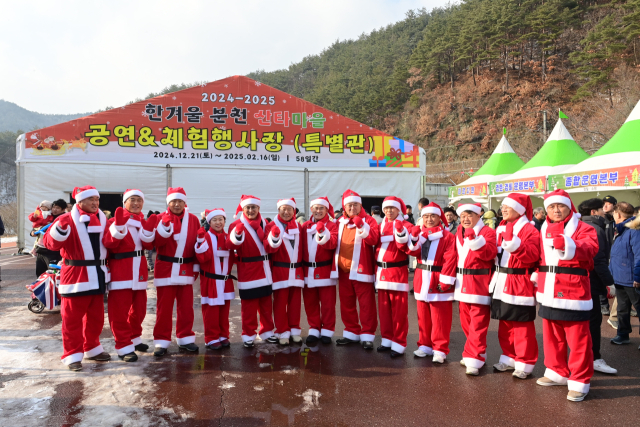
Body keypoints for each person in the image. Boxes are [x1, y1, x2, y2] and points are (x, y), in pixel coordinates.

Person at [534, 189, 599, 402]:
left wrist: (570, 244)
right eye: (551, 207)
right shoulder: (543, 228)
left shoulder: (584, 228)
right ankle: (556, 371)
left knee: (578, 339)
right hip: (548, 289)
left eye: (560, 206)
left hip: (573, 291)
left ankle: (580, 380)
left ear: (569, 206)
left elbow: (590, 249)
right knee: (552, 335)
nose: (556, 210)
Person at [42, 186, 111, 371]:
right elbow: (49, 243)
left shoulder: (103, 219)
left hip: (97, 275)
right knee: (72, 319)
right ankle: (72, 354)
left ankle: (92, 348)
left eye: (97, 199)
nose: (95, 203)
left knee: (95, 318)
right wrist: (60, 229)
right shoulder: (66, 219)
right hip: (75, 276)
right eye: (91, 200)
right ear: (80, 202)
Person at [103, 189, 157, 362]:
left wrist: (150, 232)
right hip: (121, 270)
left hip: (139, 271)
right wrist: (118, 227)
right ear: (124, 202)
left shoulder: (142, 221)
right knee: (119, 312)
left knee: (139, 310)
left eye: (139, 200)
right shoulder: (113, 221)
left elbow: (148, 246)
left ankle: (134, 338)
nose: (136, 203)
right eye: (132, 200)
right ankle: (123, 345)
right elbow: (108, 243)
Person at [490, 194, 540, 379]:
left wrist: (514, 244)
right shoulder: (500, 227)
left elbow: (532, 256)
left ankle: (525, 361)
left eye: (507, 207)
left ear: (518, 209)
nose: (502, 209)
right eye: (502, 206)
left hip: (519, 281)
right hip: (501, 279)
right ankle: (509, 356)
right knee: (505, 323)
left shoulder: (530, 230)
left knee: (522, 326)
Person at [152, 187, 200, 357]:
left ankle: (186, 338)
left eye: (180, 201)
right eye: (173, 201)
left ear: (185, 202)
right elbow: (155, 242)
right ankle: (161, 340)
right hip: (165, 268)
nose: (177, 204)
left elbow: (197, 245)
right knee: (163, 308)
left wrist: (195, 267)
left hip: (186, 268)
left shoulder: (194, 220)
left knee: (186, 307)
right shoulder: (159, 218)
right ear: (168, 202)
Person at [408, 202, 457, 363]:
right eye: (426, 216)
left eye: (432, 216)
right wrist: (413, 238)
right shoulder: (420, 234)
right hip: (422, 276)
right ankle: (425, 345)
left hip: (438, 276)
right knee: (423, 316)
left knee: (440, 318)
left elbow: (450, 260)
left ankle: (440, 349)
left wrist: (445, 280)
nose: (429, 219)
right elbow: (411, 251)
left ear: (439, 218)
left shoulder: (448, 236)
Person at [227, 195, 277, 348]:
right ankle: (248, 334)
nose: (250, 210)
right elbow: (230, 244)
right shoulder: (236, 224)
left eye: (253, 207)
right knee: (248, 307)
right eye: (247, 208)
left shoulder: (265, 223)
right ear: (243, 209)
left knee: (266, 305)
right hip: (248, 271)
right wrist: (237, 234)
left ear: (258, 208)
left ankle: (267, 331)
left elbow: (271, 245)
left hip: (264, 269)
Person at [332, 189, 379, 349]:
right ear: (344, 207)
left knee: (366, 305)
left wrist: (361, 224)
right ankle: (351, 332)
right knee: (347, 305)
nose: (352, 208)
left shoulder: (370, 221)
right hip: (344, 271)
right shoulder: (339, 223)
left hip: (362, 271)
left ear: (360, 205)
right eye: (349, 205)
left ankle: (367, 335)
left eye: (355, 205)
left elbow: (373, 240)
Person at [454, 202, 497, 375]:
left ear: (479, 215)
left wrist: (474, 240)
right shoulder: (458, 231)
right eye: (463, 215)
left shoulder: (488, 232)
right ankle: (476, 351)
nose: (465, 219)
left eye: (469, 215)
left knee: (478, 322)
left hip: (479, 280)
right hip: (461, 279)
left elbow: (490, 253)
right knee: (465, 321)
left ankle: (475, 355)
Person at [577, 198, 617, 374]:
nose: (604, 212)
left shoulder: (577, 226)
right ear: (593, 212)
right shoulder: (595, 228)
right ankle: (594, 358)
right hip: (590, 281)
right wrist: (609, 282)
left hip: (578, 281)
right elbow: (598, 259)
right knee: (593, 320)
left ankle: (583, 357)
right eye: (601, 209)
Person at [374, 196, 413, 357]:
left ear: (398, 210)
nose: (389, 211)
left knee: (399, 311)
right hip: (381, 273)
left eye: (392, 208)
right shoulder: (379, 225)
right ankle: (387, 339)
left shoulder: (407, 225)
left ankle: (399, 342)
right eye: (386, 208)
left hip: (397, 272)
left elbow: (409, 248)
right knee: (383, 310)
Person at [264, 198, 304, 345]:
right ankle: (282, 331)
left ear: (294, 211)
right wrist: (274, 238)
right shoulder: (270, 226)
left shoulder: (299, 227)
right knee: (280, 303)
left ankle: (294, 329)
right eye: (283, 209)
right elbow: (268, 248)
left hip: (297, 269)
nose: (286, 212)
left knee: (295, 302)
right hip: (280, 270)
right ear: (278, 210)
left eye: (289, 209)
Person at [195, 208, 235, 350]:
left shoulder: (229, 237)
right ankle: (211, 338)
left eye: (221, 219)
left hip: (225, 280)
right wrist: (200, 241)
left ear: (225, 221)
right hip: (211, 280)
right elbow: (202, 258)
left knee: (224, 310)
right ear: (209, 222)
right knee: (211, 311)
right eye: (215, 220)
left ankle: (223, 335)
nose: (218, 223)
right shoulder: (205, 236)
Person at [301, 197, 339, 345]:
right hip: (307, 270)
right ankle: (314, 328)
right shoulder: (305, 226)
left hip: (325, 270)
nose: (318, 211)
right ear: (311, 209)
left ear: (326, 210)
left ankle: (328, 330)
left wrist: (323, 231)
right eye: (315, 208)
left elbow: (332, 244)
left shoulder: (332, 226)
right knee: (310, 302)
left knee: (328, 303)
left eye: (321, 208)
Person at [609, 202, 640, 347]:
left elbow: (639, 255)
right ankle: (622, 334)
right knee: (622, 308)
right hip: (620, 277)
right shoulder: (621, 230)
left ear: (618, 214)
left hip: (632, 279)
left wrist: (637, 276)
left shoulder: (634, 230)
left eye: (614, 213)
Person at [33, 199, 67, 277]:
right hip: (41, 250)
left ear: (63, 209)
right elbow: (36, 225)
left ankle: (53, 289)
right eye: (53, 207)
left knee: (53, 275)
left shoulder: (64, 219)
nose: (54, 210)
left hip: (53, 252)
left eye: (57, 208)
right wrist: (33, 232)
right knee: (40, 275)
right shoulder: (47, 215)